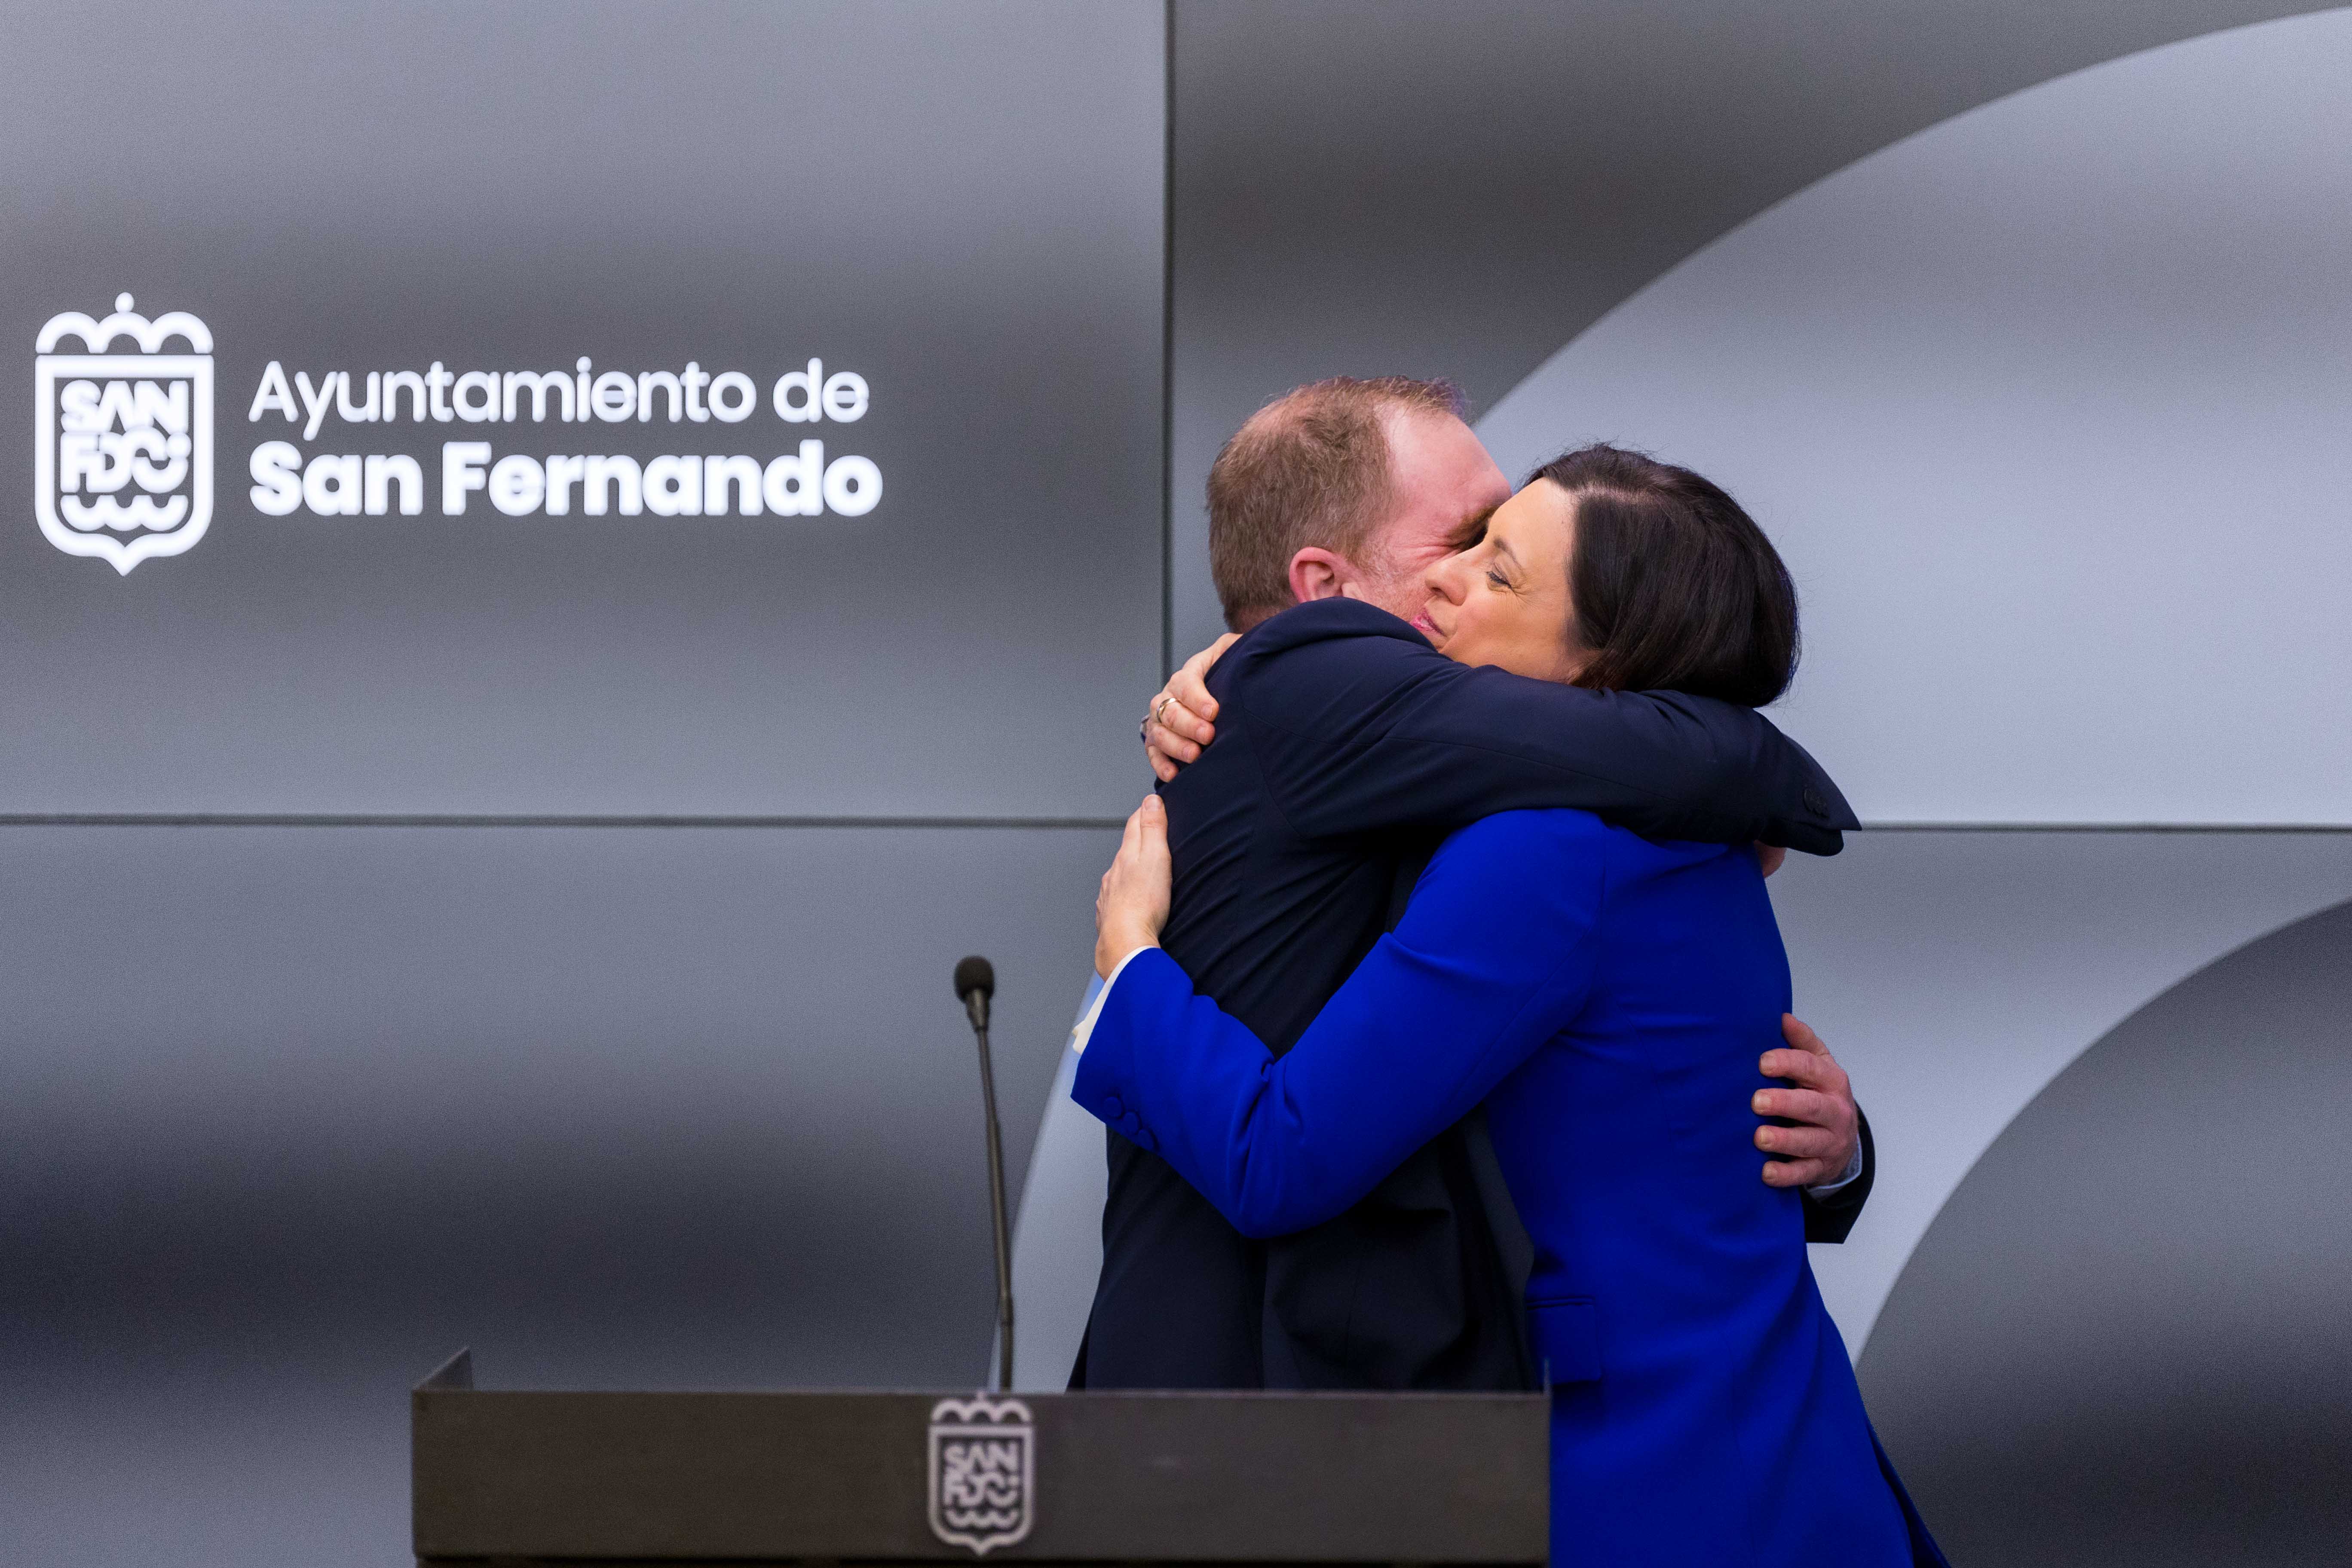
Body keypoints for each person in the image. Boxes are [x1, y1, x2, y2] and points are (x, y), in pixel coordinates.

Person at [1075, 444, 1945, 1565]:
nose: (1446, 581)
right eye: (1469, 543)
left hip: (1649, 1492)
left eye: (1498, 572)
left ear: (1605, 672)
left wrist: (1130, 964)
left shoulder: (1544, 860)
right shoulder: (1688, 836)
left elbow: (1278, 1155)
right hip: (1781, 1465)